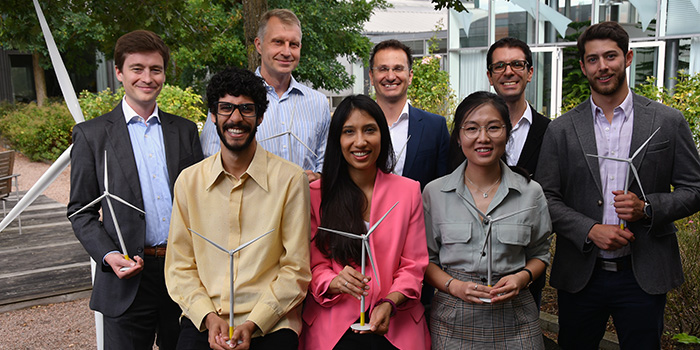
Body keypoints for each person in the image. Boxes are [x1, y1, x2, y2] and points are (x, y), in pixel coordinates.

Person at [536, 21, 700, 349]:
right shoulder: (562, 129)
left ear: (628, 58)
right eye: (593, 59)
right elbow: (544, 198)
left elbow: (694, 189)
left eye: (610, 56)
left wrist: (648, 208)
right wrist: (589, 229)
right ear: (583, 66)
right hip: (582, 273)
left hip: (643, 272)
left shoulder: (667, 122)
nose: (603, 66)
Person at [67, 30, 203, 349]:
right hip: (125, 279)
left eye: (155, 69)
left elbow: (202, 200)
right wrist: (110, 255)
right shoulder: (92, 136)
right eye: (137, 68)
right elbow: (80, 211)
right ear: (119, 73)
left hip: (182, 274)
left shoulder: (184, 131)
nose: (147, 77)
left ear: (164, 74)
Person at [165, 67, 311, 350]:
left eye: (246, 109)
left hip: (270, 323)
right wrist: (207, 316)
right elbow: (179, 266)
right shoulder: (189, 181)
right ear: (213, 115)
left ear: (260, 116)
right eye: (226, 108)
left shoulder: (290, 180)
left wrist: (255, 321)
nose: (235, 118)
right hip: (206, 320)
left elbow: (296, 268)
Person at [299, 95, 430, 350]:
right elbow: (312, 265)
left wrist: (390, 301)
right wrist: (333, 280)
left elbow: (414, 265)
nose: (360, 141)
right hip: (333, 327)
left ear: (383, 135)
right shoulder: (316, 194)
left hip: (395, 324)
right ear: (337, 140)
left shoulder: (408, 191)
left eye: (369, 130)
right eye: (349, 132)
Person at [423, 91, 551, 349]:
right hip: (453, 320)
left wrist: (522, 278)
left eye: (493, 128)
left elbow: (541, 254)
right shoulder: (435, 193)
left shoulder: (530, 192)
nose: (483, 138)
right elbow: (425, 261)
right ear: (459, 137)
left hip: (516, 321)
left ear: (507, 133)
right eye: (471, 128)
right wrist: (454, 286)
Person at [199, 9, 330, 183]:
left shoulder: (318, 103)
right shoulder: (230, 98)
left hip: (304, 205)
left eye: (293, 44)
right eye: (278, 42)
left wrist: (318, 175)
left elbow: (327, 161)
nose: (286, 52)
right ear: (259, 45)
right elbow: (209, 158)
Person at [486, 36, 551, 310]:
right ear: (489, 76)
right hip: (469, 265)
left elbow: (554, 197)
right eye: (499, 66)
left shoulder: (551, 133)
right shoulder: (471, 130)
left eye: (517, 64)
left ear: (530, 72)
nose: (508, 72)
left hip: (526, 269)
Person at [369, 39, 450, 190]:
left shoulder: (435, 127)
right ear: (371, 76)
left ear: (410, 76)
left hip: (421, 213)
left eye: (398, 69)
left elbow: (444, 187)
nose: (391, 76)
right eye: (383, 69)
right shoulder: (356, 128)